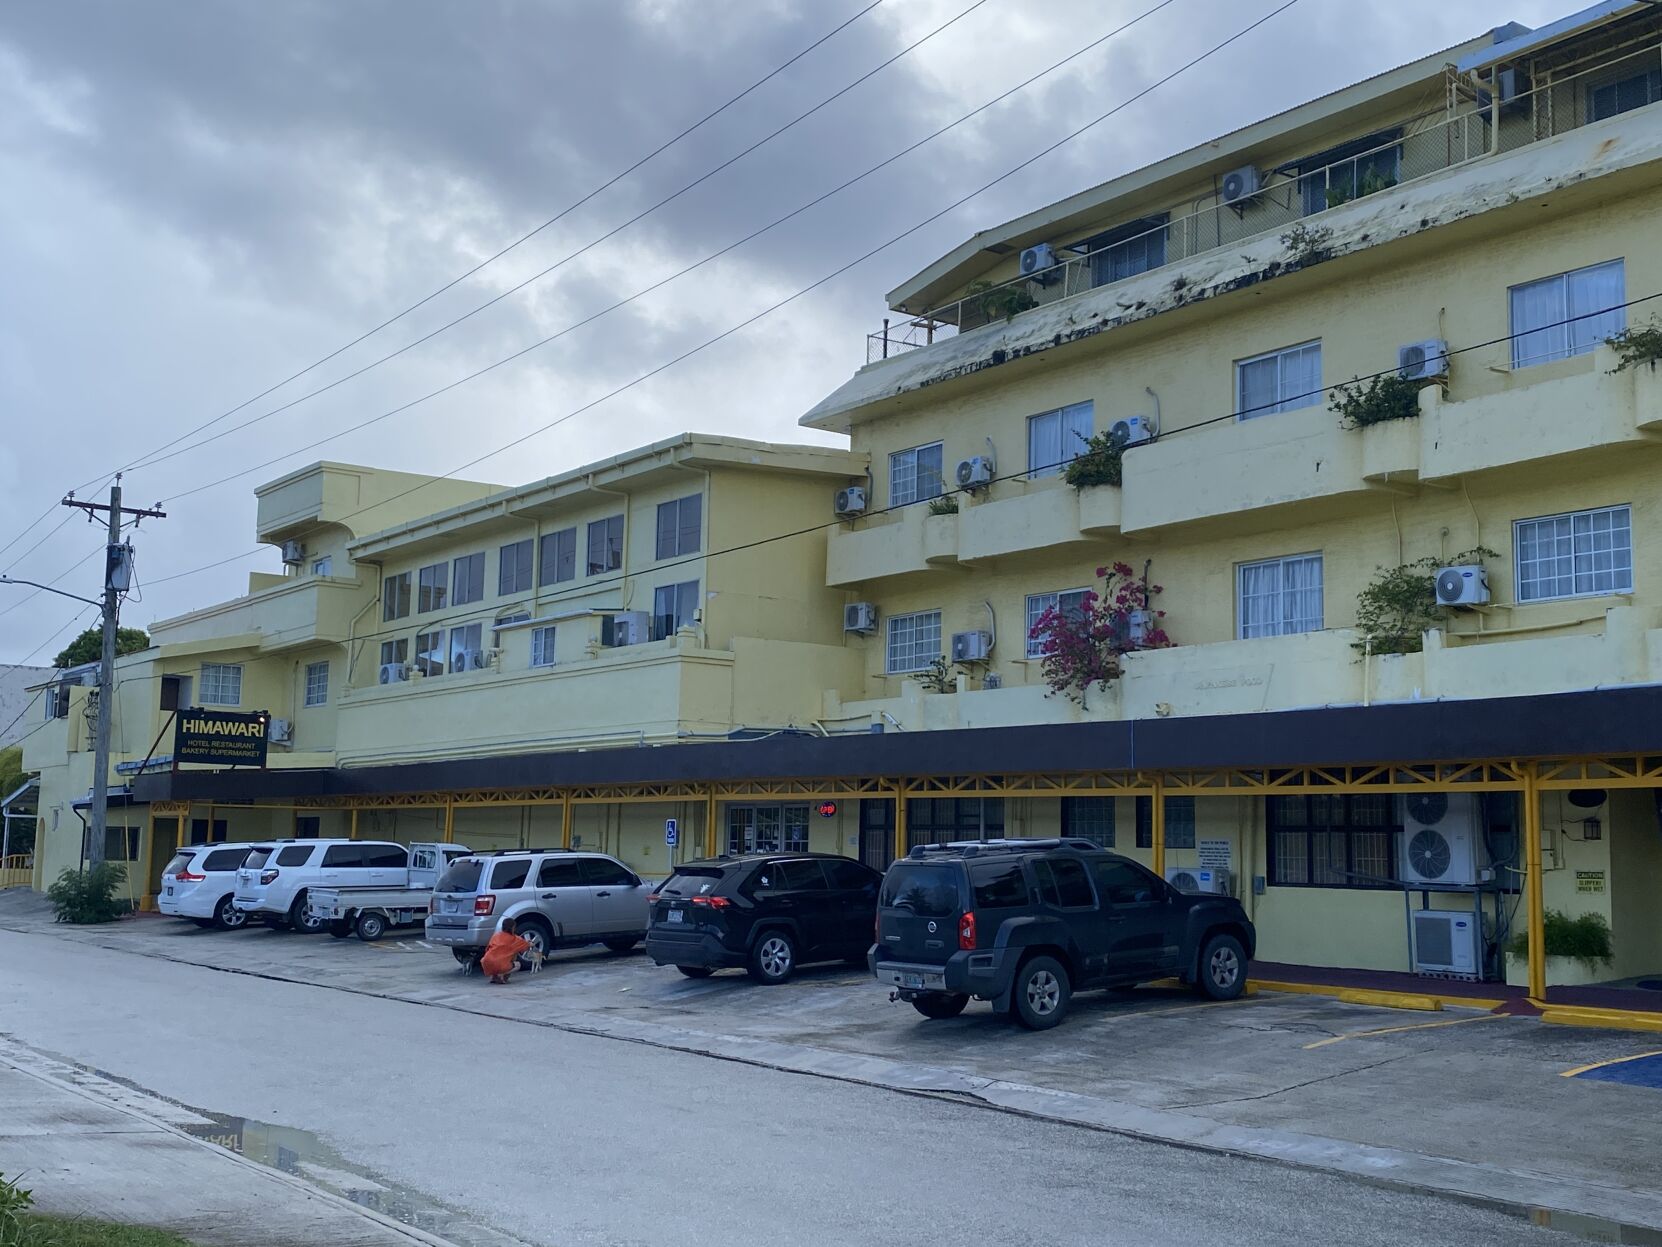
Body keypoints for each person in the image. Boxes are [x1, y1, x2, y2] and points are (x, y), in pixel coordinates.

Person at [479, 916, 535, 985]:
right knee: (518, 965)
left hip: (486, 963)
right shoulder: (515, 939)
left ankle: (494, 977)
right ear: (512, 928)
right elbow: (527, 946)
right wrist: (530, 943)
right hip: (501, 965)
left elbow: (487, 949)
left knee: (497, 959)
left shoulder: (496, 935)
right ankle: (502, 975)